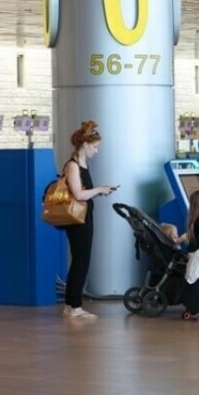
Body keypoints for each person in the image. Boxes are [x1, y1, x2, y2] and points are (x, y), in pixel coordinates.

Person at [62, 120, 118, 319]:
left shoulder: (82, 165)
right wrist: (100, 190)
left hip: (84, 217)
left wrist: (99, 192)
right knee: (81, 261)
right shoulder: (73, 166)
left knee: (81, 260)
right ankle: (74, 306)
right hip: (77, 220)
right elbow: (78, 194)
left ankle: (71, 304)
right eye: (94, 147)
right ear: (84, 145)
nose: (96, 151)